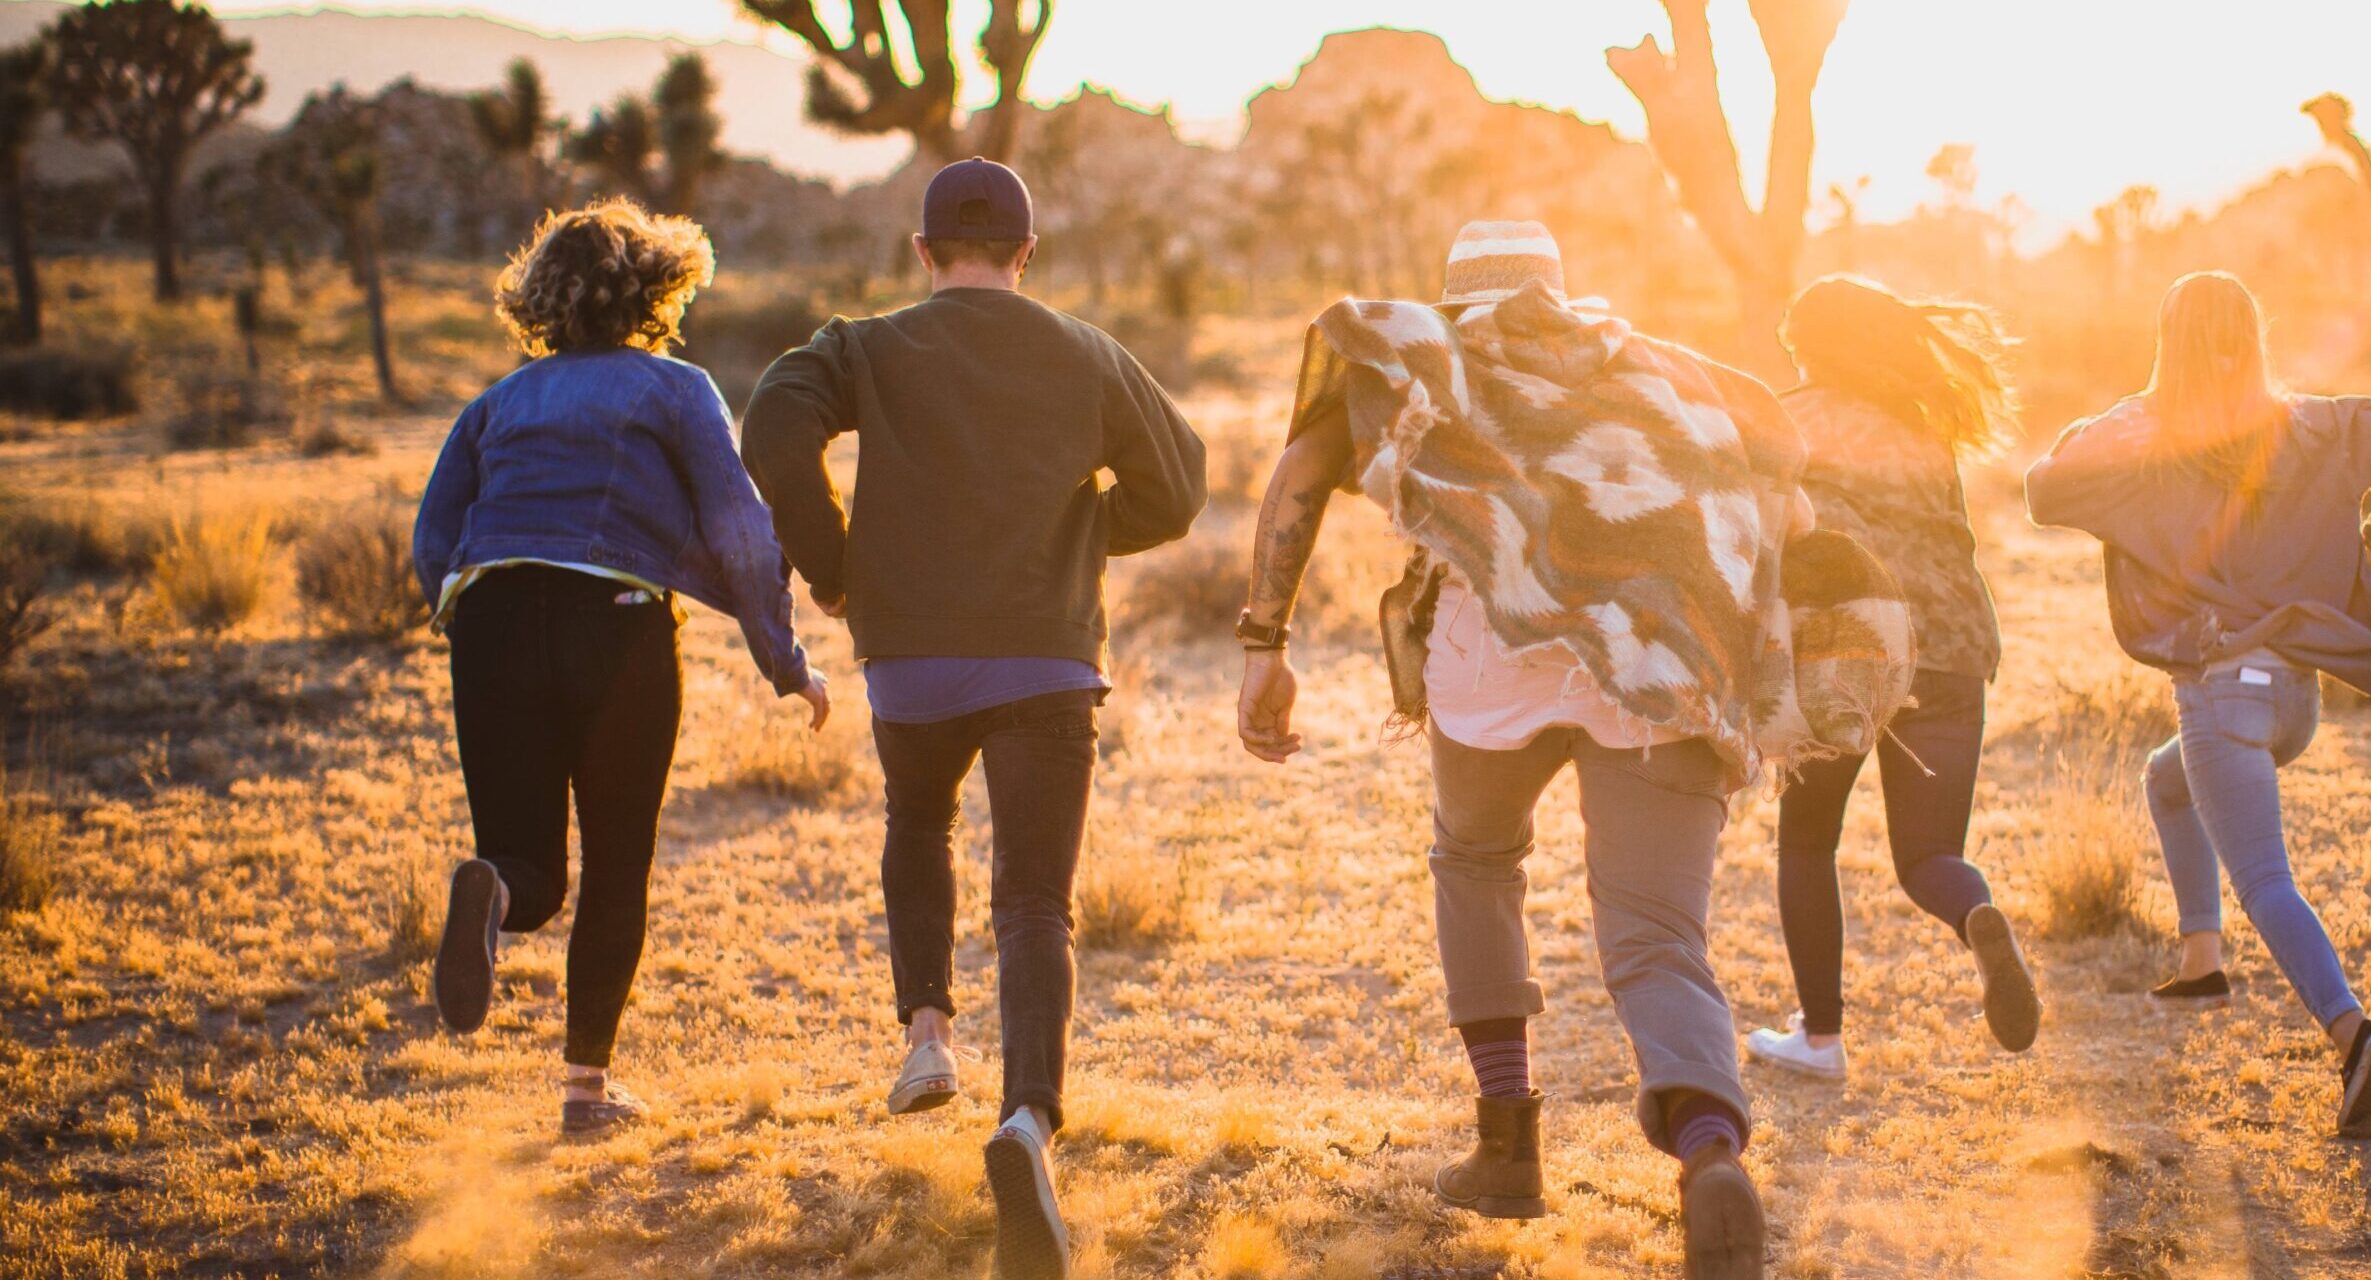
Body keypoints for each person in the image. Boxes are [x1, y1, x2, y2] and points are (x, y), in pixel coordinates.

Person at [1238, 220, 1877, 1280]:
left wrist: (1266, 641)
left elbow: (1303, 464)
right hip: (1658, 659)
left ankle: (1507, 1146)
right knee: (1658, 936)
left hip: (1490, 660)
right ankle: (1709, 1152)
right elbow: (1787, 506)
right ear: (1558, 291)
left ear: (1455, 299)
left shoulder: (1430, 357)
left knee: (1476, 861)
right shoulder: (1663, 376)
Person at [740, 157, 1205, 1280]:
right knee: (1036, 899)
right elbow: (1180, 484)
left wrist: (836, 564)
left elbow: (772, 423)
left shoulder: (865, 346)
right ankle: (1028, 1122)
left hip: (911, 661)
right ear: (1026, 254)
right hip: (1046, 656)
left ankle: (927, 1039)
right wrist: (1081, 531)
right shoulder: (1087, 352)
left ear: (924, 251)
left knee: (918, 822)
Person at [413, 198, 828, 1135]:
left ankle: (494, 891)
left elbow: (433, 537)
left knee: (529, 866)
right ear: (652, 290)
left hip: (493, 619)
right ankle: (584, 1094)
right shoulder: (676, 389)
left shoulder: (495, 404)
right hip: (617, 625)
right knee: (615, 864)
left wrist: (472, 623)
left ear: (539, 299)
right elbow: (741, 531)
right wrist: (786, 661)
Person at [2025, 270, 2371, 1136]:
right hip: (2294, 699)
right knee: (2166, 780)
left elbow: (2044, 485)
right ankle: (2202, 959)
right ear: (2252, 338)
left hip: (2223, 695)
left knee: (2265, 879)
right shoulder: (2311, 420)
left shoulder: (2148, 432)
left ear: (2167, 345)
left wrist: (2126, 410)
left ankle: (2354, 1035)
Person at [1743, 277, 2040, 1081]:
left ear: (1814, 346)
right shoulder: (1924, 429)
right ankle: (1975, 913)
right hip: (1953, 648)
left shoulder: (1788, 419)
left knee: (1809, 841)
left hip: (1849, 652)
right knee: (1929, 856)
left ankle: (1821, 1040)